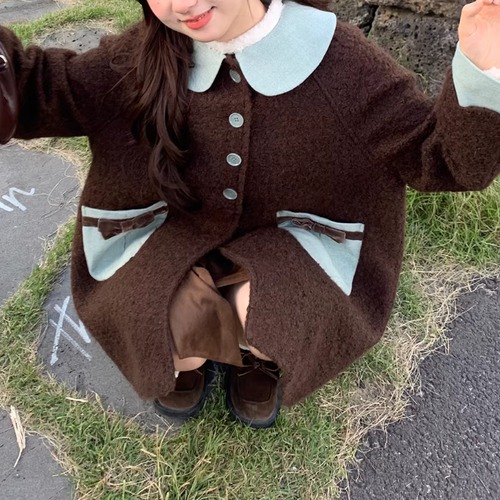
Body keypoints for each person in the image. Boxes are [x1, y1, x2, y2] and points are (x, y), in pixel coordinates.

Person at [0, 0, 499, 429]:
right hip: (170, 236)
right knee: (171, 329)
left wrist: (482, 70)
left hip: (300, 245)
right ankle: (202, 347)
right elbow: (45, 90)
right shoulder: (143, 54)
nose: (182, 5)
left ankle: (253, 354)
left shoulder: (344, 65)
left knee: (268, 317)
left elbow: (441, 159)